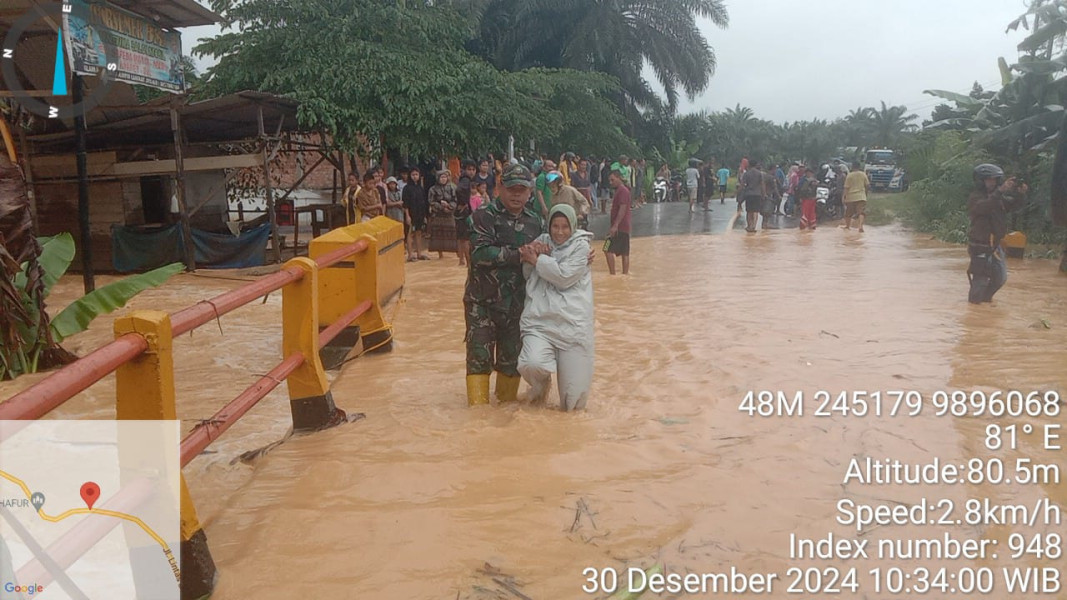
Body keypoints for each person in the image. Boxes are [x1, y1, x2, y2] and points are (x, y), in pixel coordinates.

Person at [464, 164, 546, 406]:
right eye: (511, 189)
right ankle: (478, 416)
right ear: (500, 188)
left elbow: (553, 248)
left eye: (522, 190)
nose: (516, 195)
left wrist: (580, 256)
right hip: (482, 303)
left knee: (511, 361)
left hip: (518, 304)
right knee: (479, 358)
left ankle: (505, 415)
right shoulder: (483, 216)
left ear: (530, 192)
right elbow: (479, 253)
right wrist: (519, 254)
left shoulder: (535, 221)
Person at [517, 204, 594, 411]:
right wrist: (530, 255)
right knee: (532, 363)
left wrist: (538, 260)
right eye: (555, 226)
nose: (559, 232)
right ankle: (540, 387)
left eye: (565, 227)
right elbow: (526, 271)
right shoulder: (541, 242)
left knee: (574, 404)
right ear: (548, 225)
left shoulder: (582, 247)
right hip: (540, 321)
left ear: (573, 226)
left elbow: (564, 277)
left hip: (573, 326)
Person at [966, 164, 1028, 304]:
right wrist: (1000, 191)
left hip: (995, 245)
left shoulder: (997, 198)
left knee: (1000, 278)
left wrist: (1020, 194)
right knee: (980, 280)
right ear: (981, 181)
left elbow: (1012, 206)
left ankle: (984, 301)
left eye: (995, 180)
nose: (992, 183)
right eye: (989, 180)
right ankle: (975, 307)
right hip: (980, 245)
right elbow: (985, 207)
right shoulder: (975, 198)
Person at [605, 169, 632, 275]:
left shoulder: (623, 191)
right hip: (623, 227)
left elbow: (623, 209)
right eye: (610, 181)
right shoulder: (621, 190)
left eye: (612, 180)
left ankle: (613, 274)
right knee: (624, 252)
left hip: (620, 227)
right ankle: (623, 275)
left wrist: (615, 226)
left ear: (619, 177)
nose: (611, 183)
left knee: (606, 249)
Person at [428, 170, 458, 259]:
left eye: (445, 177)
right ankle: (440, 253)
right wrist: (441, 207)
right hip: (438, 214)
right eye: (442, 177)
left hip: (450, 214)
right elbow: (431, 201)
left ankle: (456, 252)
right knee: (438, 234)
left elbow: (456, 200)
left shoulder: (453, 187)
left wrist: (449, 207)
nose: (443, 179)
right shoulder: (433, 189)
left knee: (453, 233)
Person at [403, 168, 429, 261]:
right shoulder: (406, 188)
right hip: (410, 213)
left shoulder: (420, 188)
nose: (415, 176)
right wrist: (407, 216)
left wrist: (425, 215)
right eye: (413, 174)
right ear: (410, 176)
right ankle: (410, 255)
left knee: (419, 233)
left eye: (416, 174)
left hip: (420, 213)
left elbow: (424, 202)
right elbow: (405, 204)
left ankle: (419, 253)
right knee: (410, 234)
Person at [841, 161, 871, 232]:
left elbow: (846, 187)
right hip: (861, 196)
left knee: (848, 214)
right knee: (861, 212)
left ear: (852, 167)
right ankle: (860, 226)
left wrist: (843, 197)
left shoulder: (849, 175)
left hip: (851, 197)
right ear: (859, 167)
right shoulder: (863, 174)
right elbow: (867, 185)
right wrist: (865, 194)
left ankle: (847, 226)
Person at [737, 160, 764, 232]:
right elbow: (762, 185)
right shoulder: (759, 173)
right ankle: (753, 226)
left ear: (749, 165)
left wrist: (737, 192)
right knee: (755, 211)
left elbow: (742, 184)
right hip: (757, 194)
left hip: (748, 194)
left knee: (749, 211)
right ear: (756, 165)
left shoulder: (747, 174)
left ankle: (749, 226)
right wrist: (764, 194)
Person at [455, 185, 473, 267]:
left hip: (460, 218)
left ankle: (462, 260)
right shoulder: (466, 204)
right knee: (465, 240)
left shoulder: (457, 204)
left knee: (461, 239)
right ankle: (468, 261)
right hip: (464, 219)